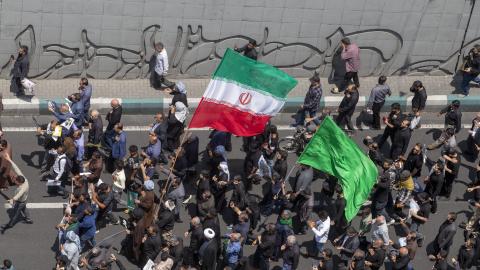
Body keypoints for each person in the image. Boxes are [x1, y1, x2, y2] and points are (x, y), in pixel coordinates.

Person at [0, 153, 32, 234]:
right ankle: (28, 219)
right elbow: (16, 168)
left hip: (20, 201)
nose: (15, 182)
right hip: (23, 200)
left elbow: (18, 196)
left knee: (15, 214)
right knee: (24, 208)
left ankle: (10, 225)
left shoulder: (23, 188)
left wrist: (12, 200)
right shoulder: (23, 178)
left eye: (16, 182)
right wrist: (9, 159)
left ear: (20, 183)